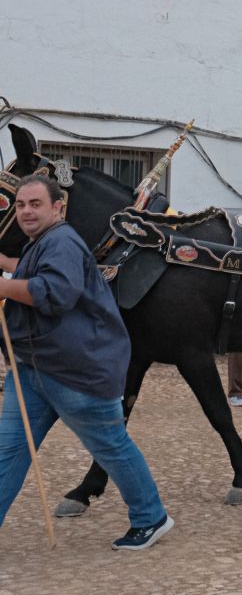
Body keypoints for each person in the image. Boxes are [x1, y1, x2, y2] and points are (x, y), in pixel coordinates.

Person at [0, 175, 173, 550]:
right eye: (21, 205)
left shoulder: (61, 241)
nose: (26, 211)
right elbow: (32, 272)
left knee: (111, 446)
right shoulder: (41, 242)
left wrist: (3, 285)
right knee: (7, 451)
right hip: (32, 367)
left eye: (35, 204)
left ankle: (151, 517)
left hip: (76, 371)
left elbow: (55, 293)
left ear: (57, 207)